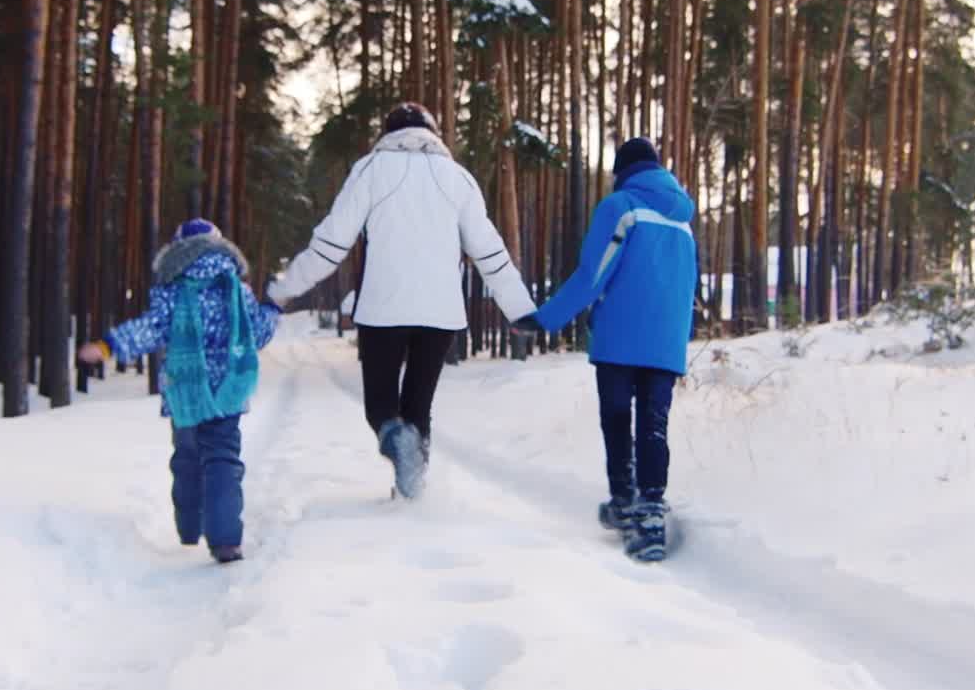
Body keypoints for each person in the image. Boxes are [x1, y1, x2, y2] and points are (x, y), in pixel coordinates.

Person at [268, 102, 534, 498]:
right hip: (441, 314)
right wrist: (521, 309)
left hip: (383, 310)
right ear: (433, 134)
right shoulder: (457, 178)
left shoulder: (372, 170)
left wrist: (282, 291)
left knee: (381, 407)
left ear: (388, 134)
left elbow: (330, 244)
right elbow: (489, 252)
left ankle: (398, 448)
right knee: (418, 405)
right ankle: (411, 489)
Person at [513, 137, 697, 561]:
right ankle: (652, 510)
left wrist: (545, 320)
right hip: (667, 341)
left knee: (616, 417)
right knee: (653, 422)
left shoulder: (622, 208)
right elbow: (689, 284)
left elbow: (591, 274)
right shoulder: (683, 220)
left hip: (620, 337)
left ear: (623, 172)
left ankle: (624, 500)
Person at [78, 218, 280, 564]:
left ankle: (189, 529)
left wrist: (109, 346)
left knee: (187, 458)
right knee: (222, 460)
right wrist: (273, 309)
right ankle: (226, 541)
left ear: (177, 249)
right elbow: (257, 334)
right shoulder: (237, 289)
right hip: (228, 391)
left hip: (184, 392)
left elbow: (151, 329)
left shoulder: (172, 288)